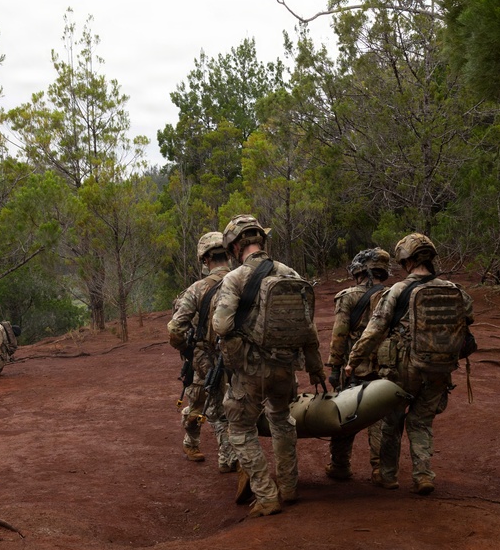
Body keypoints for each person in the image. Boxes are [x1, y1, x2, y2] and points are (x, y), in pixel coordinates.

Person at [212, 214, 326, 518]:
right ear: (261, 240)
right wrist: (315, 368)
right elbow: (309, 328)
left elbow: (222, 325)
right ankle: (289, 487)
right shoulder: (290, 274)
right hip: (284, 367)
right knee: (281, 420)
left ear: (236, 247)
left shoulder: (234, 279)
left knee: (239, 427)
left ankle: (266, 493)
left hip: (249, 370)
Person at [345, 233, 473, 495]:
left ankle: (389, 476)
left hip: (403, 368)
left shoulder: (398, 290)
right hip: (440, 368)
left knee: (392, 421)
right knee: (421, 421)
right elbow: (468, 316)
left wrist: (353, 360)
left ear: (406, 261)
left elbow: (375, 329)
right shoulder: (454, 289)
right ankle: (423, 475)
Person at [167, 232, 238, 472]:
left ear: (205, 260)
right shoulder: (246, 283)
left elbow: (175, 329)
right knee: (202, 404)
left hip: (206, 356)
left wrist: (190, 351)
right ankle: (192, 442)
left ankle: (228, 456)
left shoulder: (196, 289)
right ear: (230, 254)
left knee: (215, 408)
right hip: (225, 359)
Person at [324, 247, 391, 482]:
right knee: (381, 419)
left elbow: (339, 334)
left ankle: (340, 465)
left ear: (360, 271)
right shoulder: (395, 295)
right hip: (386, 369)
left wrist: (334, 367)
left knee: (345, 415)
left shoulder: (348, 296)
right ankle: (381, 469)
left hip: (355, 369)